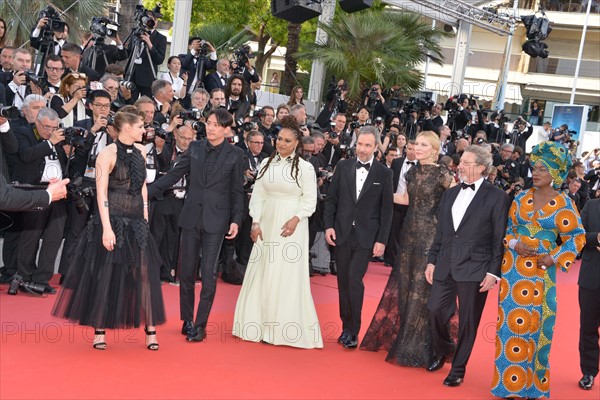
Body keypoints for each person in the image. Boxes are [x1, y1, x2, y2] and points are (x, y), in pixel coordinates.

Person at [52, 109, 166, 350]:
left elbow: (142, 187)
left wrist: (144, 216)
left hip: (136, 221)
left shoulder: (142, 151)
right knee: (104, 274)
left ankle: (151, 330)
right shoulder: (107, 154)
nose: (143, 130)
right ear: (126, 128)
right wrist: (106, 228)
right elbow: (101, 193)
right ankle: (100, 330)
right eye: (140, 127)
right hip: (111, 219)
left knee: (144, 274)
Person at [491, 141, 585, 398]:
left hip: (542, 276)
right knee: (510, 326)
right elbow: (508, 230)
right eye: (535, 168)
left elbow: (577, 237)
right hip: (514, 272)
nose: (536, 173)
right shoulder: (520, 198)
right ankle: (507, 386)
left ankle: (533, 387)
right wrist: (515, 245)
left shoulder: (565, 204)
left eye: (543, 169)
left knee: (537, 326)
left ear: (555, 173)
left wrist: (553, 257)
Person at [148, 107, 245, 343]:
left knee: (209, 274)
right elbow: (173, 175)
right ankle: (187, 320)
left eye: (215, 124)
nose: (210, 127)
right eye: (208, 123)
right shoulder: (195, 148)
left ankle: (201, 325)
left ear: (226, 129)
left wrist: (235, 220)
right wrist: (147, 192)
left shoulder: (235, 155)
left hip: (217, 220)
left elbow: (237, 192)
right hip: (191, 217)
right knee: (186, 272)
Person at [361, 132, 454, 367]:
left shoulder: (442, 173)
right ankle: (407, 340)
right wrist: (378, 194)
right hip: (409, 236)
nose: (417, 148)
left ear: (434, 148)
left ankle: (428, 347)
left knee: (423, 291)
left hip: (430, 238)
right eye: (416, 144)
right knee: (406, 288)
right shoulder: (412, 172)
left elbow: (456, 199)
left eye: (423, 145)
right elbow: (405, 198)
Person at [233, 116, 322, 348]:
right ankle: (258, 325)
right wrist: (255, 223)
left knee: (285, 273)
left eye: (287, 140)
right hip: (267, 222)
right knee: (263, 271)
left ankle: (283, 330)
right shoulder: (266, 164)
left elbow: (310, 200)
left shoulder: (305, 168)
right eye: (279, 138)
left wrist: (296, 219)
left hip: (292, 225)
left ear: (297, 144)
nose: (281, 143)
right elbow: (259, 195)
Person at [426, 145, 510, 387]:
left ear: (482, 167)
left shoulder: (497, 197)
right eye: (460, 161)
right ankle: (445, 348)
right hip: (445, 263)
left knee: (468, 321)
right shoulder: (450, 194)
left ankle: (458, 369)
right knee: (435, 310)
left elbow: (498, 238)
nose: (459, 165)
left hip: (476, 267)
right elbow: (441, 232)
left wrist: (494, 272)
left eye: (465, 162)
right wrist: (432, 259)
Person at [324, 126, 394, 349]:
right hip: (342, 232)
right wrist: (328, 227)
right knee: (343, 281)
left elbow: (387, 210)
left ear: (376, 147)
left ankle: (354, 330)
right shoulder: (343, 166)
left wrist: (382, 240)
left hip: (367, 236)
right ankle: (346, 327)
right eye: (359, 144)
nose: (362, 149)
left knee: (354, 279)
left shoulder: (384, 173)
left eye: (367, 145)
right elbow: (332, 199)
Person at [578, 198, 600, 391]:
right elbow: (578, 234)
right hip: (592, 278)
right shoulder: (592, 206)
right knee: (588, 328)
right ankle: (589, 372)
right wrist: (597, 238)